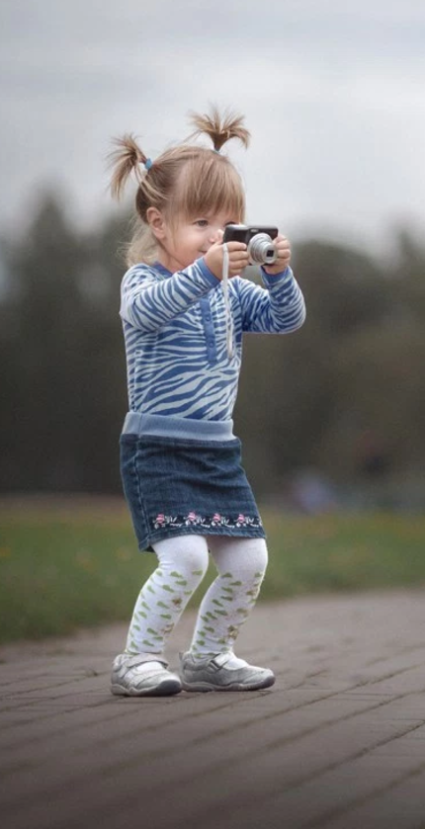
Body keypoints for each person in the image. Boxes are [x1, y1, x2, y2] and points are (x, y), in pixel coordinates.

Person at [106, 108, 306, 696]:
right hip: (158, 448)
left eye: (231, 222)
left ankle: (209, 656)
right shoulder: (142, 282)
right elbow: (150, 312)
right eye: (201, 222)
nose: (218, 235)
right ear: (158, 223)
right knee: (187, 558)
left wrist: (279, 274)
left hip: (217, 451)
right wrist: (210, 273)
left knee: (249, 561)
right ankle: (137, 659)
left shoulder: (232, 292)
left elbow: (286, 319)